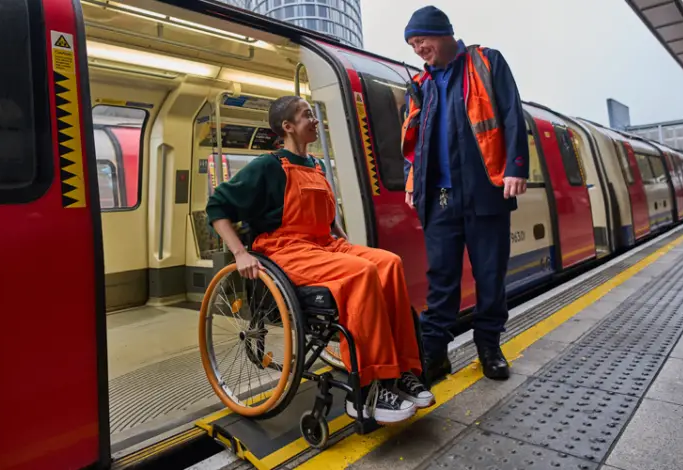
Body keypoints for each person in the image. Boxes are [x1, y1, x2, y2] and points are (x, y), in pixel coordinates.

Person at [206, 95, 434, 424]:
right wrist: (240, 253)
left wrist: (344, 241)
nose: (314, 121)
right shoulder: (268, 166)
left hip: (325, 244)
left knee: (389, 263)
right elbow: (218, 206)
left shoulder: (317, 167)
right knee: (361, 273)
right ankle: (367, 388)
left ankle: (402, 370)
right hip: (286, 248)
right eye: (307, 116)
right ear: (287, 127)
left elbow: (328, 219)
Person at [401, 6, 529, 383]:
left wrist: (516, 167)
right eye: (411, 43)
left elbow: (511, 112)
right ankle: (435, 354)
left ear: (443, 33)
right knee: (441, 277)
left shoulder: (486, 62)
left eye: (421, 40)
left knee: (490, 275)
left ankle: (489, 347)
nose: (417, 48)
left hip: (485, 189)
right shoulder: (420, 83)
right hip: (439, 196)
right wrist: (413, 184)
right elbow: (411, 142)